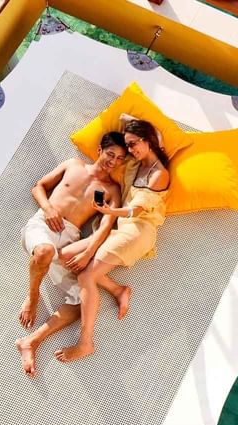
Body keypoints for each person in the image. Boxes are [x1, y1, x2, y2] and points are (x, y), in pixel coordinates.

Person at [55, 119, 170, 363]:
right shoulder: (136, 162)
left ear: (147, 140)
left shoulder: (159, 174)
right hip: (120, 227)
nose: (130, 150)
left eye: (133, 144)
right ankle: (118, 289)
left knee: (86, 276)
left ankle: (86, 341)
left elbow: (136, 211)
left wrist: (108, 211)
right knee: (65, 255)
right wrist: (144, 132)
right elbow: (125, 118)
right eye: (128, 145)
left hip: (137, 231)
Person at [15, 132, 126, 377]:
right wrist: (49, 208)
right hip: (43, 226)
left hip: (70, 240)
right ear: (99, 150)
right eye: (110, 154)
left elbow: (106, 227)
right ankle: (32, 297)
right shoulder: (72, 165)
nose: (113, 161)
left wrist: (87, 252)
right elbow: (39, 187)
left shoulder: (112, 190)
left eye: (119, 159)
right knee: (44, 251)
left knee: (83, 303)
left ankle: (31, 341)